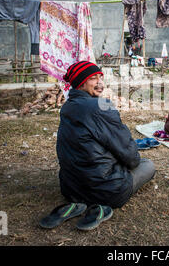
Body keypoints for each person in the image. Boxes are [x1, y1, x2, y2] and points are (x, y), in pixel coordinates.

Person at [54, 61, 155, 225]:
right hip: (107, 190)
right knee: (147, 164)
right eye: (93, 78)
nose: (100, 83)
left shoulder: (67, 107)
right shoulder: (101, 106)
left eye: (100, 77)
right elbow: (131, 157)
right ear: (81, 82)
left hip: (71, 189)